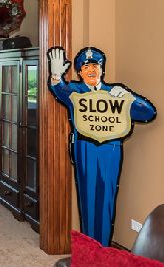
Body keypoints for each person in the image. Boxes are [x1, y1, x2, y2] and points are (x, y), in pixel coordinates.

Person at [46, 45, 156, 247]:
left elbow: (147, 112)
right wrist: (55, 75)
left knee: (106, 199)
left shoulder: (114, 93)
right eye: (86, 67)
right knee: (87, 197)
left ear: (102, 69)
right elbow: (59, 89)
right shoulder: (76, 91)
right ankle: (89, 247)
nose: (91, 70)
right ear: (80, 72)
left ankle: (102, 248)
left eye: (95, 66)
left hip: (110, 149)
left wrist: (128, 96)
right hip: (85, 148)